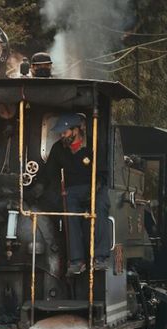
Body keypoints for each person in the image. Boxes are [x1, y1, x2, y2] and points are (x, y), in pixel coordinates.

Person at [33, 112, 111, 275]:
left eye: (65, 132)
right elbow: (49, 173)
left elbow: (103, 173)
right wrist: (39, 187)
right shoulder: (58, 148)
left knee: (101, 206)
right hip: (72, 190)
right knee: (69, 208)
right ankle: (77, 261)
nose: (62, 135)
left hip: (95, 187)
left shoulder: (93, 145)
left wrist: (95, 187)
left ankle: (101, 257)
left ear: (76, 130)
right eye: (61, 133)